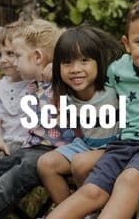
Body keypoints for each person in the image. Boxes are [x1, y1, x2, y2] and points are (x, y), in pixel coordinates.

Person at [47, 0, 139, 219]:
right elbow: (89, 80)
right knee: (92, 191)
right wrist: (53, 69)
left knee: (128, 180)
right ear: (127, 43)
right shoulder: (118, 69)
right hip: (122, 145)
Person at [0, 19, 74, 219]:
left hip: (55, 151)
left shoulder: (63, 81)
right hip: (32, 147)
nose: (14, 63)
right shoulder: (32, 85)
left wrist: (58, 69)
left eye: (17, 56)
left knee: (6, 185)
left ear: (37, 57)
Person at [37, 25, 124, 204]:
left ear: (99, 62)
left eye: (84, 60)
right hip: (86, 145)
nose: (75, 69)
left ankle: (93, 210)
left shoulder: (112, 84)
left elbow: (130, 62)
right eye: (67, 62)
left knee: (80, 163)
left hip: (117, 147)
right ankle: (70, 213)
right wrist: (55, 68)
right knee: (46, 164)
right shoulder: (65, 91)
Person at [0, 21, 30, 166]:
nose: (3, 60)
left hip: (26, 145)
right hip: (3, 141)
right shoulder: (0, 86)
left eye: (10, 53)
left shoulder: (35, 83)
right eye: (0, 54)